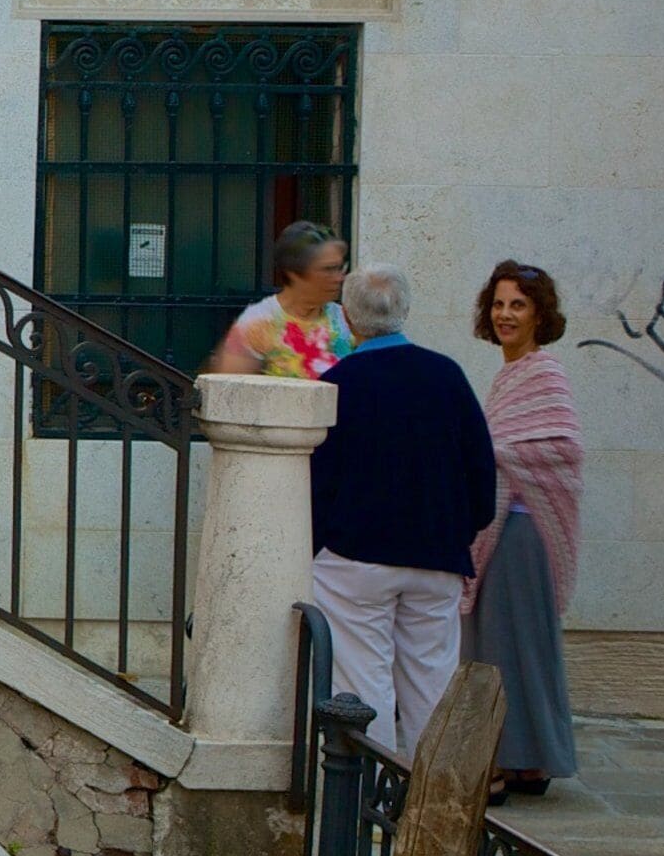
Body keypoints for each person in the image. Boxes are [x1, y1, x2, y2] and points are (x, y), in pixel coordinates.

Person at [307, 264, 497, 759]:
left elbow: (319, 480)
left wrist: (321, 543)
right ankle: (429, 808)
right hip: (436, 556)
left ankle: (367, 806)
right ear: (405, 311)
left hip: (357, 558)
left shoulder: (339, 382)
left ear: (348, 318)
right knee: (431, 686)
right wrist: (460, 531)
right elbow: (481, 470)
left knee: (363, 684)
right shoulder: (447, 376)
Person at [465, 261, 583, 797]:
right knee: (500, 643)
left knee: (515, 645)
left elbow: (563, 449)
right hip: (501, 530)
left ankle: (518, 760)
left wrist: (491, 450)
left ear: (540, 314)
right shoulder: (509, 373)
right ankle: (523, 761)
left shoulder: (544, 372)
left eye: (518, 305)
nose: (506, 315)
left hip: (521, 530)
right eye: (499, 304)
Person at [212, 221, 355, 380]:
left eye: (340, 268)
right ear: (294, 273)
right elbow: (231, 391)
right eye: (328, 269)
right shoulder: (258, 324)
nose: (340, 278)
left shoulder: (348, 319)